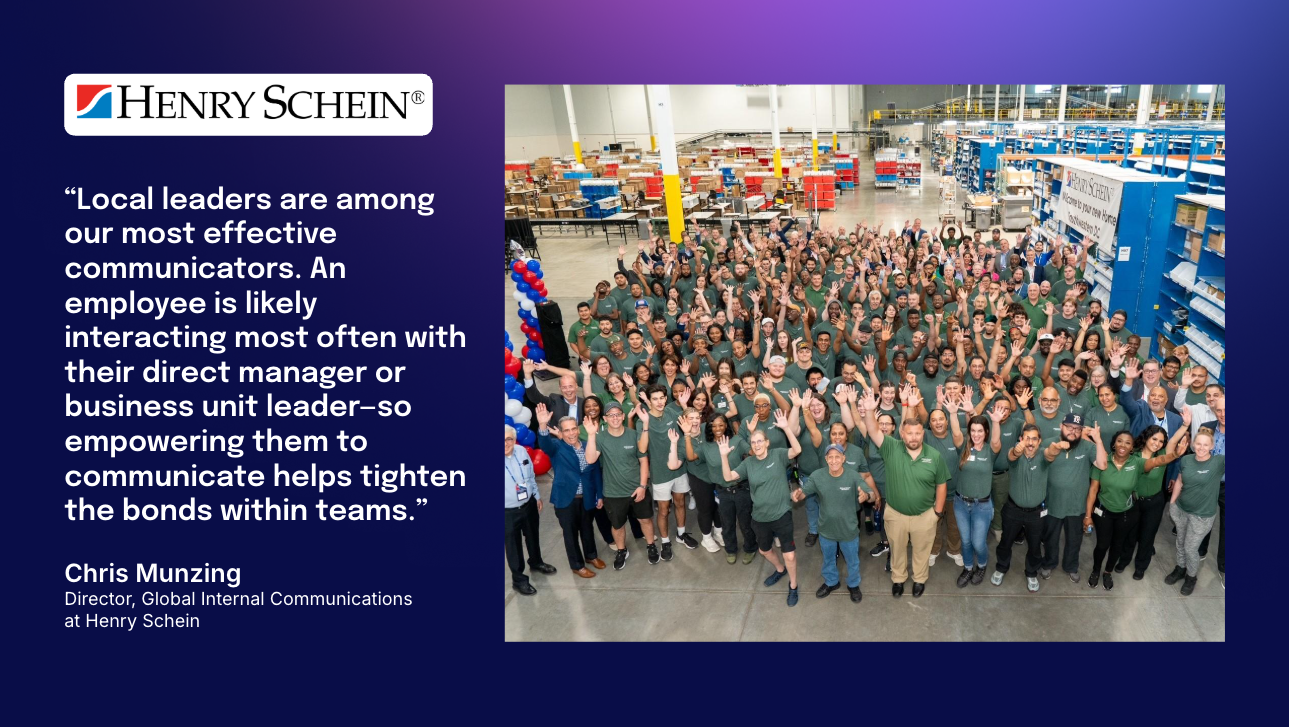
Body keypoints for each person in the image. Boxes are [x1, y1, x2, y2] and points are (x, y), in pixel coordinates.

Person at [858, 385, 949, 598]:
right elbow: (873, 431)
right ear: (902, 434)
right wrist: (869, 411)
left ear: (923, 434)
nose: (914, 438)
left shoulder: (934, 456)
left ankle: (919, 579)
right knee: (897, 549)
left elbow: (941, 484)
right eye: (909, 433)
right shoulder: (891, 448)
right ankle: (898, 579)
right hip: (895, 514)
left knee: (921, 551)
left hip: (924, 516)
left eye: (917, 433)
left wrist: (937, 513)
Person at [717, 409, 805, 607]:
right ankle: (780, 569)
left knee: (790, 554)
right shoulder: (748, 463)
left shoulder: (778, 455)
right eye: (753, 442)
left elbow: (797, 449)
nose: (756, 445)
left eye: (760, 441)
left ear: (767, 443)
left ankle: (793, 585)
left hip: (781, 514)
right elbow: (728, 477)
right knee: (765, 550)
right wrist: (723, 456)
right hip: (760, 517)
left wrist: (786, 428)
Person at [1084, 429, 1181, 590]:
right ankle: (1095, 570)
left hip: (1126, 514)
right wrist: (1088, 516)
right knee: (1102, 545)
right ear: (1114, 444)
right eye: (1120, 441)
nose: (1123, 445)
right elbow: (1093, 490)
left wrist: (1175, 454)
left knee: (1117, 545)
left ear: (1132, 447)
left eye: (1128, 443)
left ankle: (1107, 572)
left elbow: (1158, 461)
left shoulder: (1137, 463)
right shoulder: (1102, 461)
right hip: (1103, 512)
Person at [795, 444, 875, 603]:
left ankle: (853, 584)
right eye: (830, 457)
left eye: (837, 456)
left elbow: (871, 494)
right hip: (826, 530)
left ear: (843, 458)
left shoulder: (853, 476)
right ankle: (831, 581)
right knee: (828, 559)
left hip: (848, 530)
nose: (834, 460)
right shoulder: (817, 476)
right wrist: (798, 494)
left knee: (852, 561)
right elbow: (804, 492)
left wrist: (866, 496)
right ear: (826, 459)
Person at [585, 401, 658, 569]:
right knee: (617, 526)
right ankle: (621, 550)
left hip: (637, 488)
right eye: (611, 415)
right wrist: (591, 435)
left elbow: (643, 460)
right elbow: (590, 459)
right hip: (613, 492)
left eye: (618, 414)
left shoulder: (633, 435)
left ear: (623, 416)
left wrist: (642, 486)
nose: (615, 418)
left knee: (645, 520)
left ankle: (651, 545)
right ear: (605, 418)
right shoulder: (600, 437)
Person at [536, 406, 606, 579]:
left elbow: (595, 472)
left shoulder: (588, 445)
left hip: (587, 497)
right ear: (560, 432)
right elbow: (544, 444)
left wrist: (599, 495)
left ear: (578, 429)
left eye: (574, 428)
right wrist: (543, 425)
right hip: (566, 499)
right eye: (566, 430)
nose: (571, 433)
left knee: (587, 528)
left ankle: (591, 556)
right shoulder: (556, 447)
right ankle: (577, 565)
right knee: (570, 533)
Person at [1114, 423, 1190, 579]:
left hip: (1154, 502)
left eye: (1161, 441)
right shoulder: (1133, 453)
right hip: (1133, 502)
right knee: (1130, 534)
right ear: (1146, 437)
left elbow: (1173, 441)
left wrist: (1184, 425)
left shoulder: (1163, 454)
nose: (1157, 443)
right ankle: (1124, 559)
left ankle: (1141, 566)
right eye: (1154, 439)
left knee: (1147, 536)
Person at [1039, 414, 1107, 584]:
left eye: (1077, 429)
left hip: (1076, 505)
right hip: (1053, 502)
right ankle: (1049, 563)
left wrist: (1098, 440)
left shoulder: (1087, 446)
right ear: (1061, 426)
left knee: (1074, 539)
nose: (1073, 431)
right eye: (1069, 427)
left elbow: (1102, 465)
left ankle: (1071, 566)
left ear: (1082, 431)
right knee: (1050, 538)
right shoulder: (1049, 442)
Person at [991, 424, 1058, 593]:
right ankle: (1001, 568)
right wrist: (1016, 450)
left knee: (1035, 546)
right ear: (1021, 439)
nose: (1030, 442)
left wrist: (1055, 448)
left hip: (1036, 513)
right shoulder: (1015, 455)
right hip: (1013, 510)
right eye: (1027, 438)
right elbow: (1012, 455)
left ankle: (1031, 572)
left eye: (1034, 439)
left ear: (1039, 441)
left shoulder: (1043, 456)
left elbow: (1050, 455)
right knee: (1005, 542)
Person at [639, 383, 697, 559]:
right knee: (664, 510)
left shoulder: (672, 413)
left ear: (666, 398)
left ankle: (681, 534)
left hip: (679, 468)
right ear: (649, 401)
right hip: (660, 473)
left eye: (661, 398)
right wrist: (646, 425)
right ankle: (665, 542)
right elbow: (642, 449)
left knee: (680, 502)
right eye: (655, 399)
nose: (659, 402)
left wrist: (685, 405)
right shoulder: (644, 419)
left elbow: (690, 425)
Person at [1166, 429, 1226, 596]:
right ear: (1193, 444)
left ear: (1212, 446)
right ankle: (1180, 568)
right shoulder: (1186, 460)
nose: (1201, 447)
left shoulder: (1219, 462)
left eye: (1206, 445)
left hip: (1202, 516)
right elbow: (1179, 481)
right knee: (1180, 542)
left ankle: (1191, 577)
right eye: (1198, 444)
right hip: (1181, 509)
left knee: (1190, 547)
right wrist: (1172, 503)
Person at [505, 424, 556, 595]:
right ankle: (519, 580)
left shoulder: (521, 451)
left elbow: (530, 476)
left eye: (509, 439)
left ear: (514, 440)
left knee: (533, 535)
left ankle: (536, 562)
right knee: (513, 546)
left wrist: (536, 496)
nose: (505, 443)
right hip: (507, 512)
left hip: (528, 504)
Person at [955, 413, 1001, 586]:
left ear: (986, 432)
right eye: (973, 430)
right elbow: (956, 433)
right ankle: (968, 568)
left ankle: (981, 565)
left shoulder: (990, 451)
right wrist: (952, 413)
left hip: (981, 506)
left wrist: (995, 421)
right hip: (961, 504)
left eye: (980, 431)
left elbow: (996, 441)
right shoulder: (963, 448)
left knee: (978, 543)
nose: (976, 434)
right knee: (966, 541)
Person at [1195, 397, 1225, 575]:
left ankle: (1223, 565)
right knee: (1202, 518)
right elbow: (1197, 453)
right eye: (1219, 410)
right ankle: (1200, 550)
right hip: (1207, 483)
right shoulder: (1207, 427)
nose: (1223, 414)